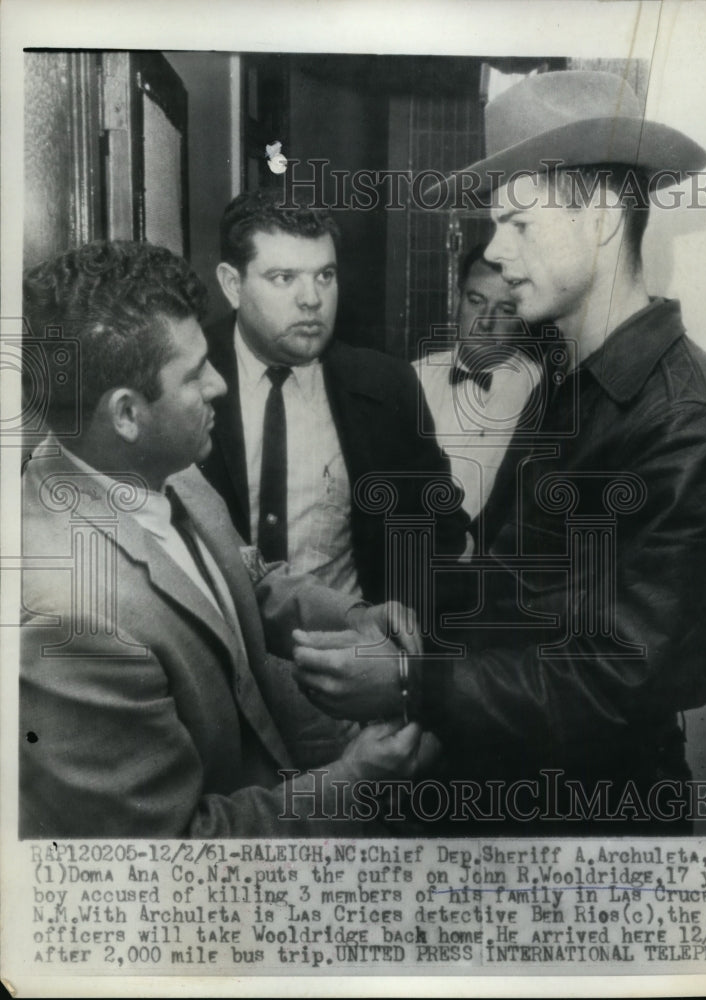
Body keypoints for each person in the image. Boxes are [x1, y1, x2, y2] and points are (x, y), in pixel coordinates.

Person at [292, 70, 706, 831]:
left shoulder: (684, 421)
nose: (498, 252)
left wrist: (412, 682)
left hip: (594, 824)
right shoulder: (570, 380)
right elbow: (521, 587)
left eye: (519, 224)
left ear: (600, 217)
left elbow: (617, 682)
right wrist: (412, 620)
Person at [19, 240, 424, 838]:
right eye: (194, 375)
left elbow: (242, 576)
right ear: (126, 414)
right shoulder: (69, 619)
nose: (219, 385)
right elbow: (174, 848)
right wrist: (355, 780)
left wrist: (355, 616)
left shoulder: (162, 463)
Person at [200, 192, 468, 608]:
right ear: (233, 285)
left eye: (325, 275)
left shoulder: (386, 386)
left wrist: (396, 636)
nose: (312, 299)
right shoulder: (186, 378)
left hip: (350, 637)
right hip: (223, 642)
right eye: (284, 278)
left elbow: (440, 535)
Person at [412, 242, 540, 524]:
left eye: (505, 309)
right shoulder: (413, 378)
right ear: (457, 300)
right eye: (476, 301)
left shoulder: (541, 392)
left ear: (525, 315)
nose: (485, 321)